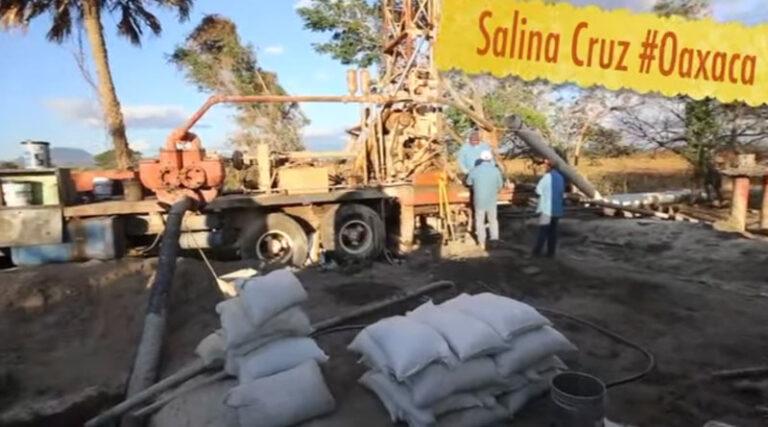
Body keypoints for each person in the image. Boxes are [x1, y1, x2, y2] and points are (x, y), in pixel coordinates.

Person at [467, 150, 504, 248]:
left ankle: (481, 242)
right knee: (493, 220)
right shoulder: (496, 170)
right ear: (490, 158)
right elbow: (500, 185)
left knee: (480, 221)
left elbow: (469, 183)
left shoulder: (474, 170)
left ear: (481, 159)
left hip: (479, 201)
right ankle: (494, 240)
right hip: (492, 200)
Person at [534, 158, 565, 257]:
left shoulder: (547, 177)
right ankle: (551, 253)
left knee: (543, 231)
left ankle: (536, 252)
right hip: (557, 209)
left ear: (549, 166)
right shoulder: (561, 178)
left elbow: (538, 190)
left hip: (546, 209)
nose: (544, 167)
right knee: (553, 232)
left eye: (546, 166)